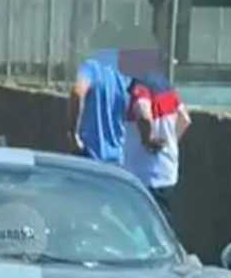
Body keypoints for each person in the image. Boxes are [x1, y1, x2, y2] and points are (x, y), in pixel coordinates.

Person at [122, 74, 190, 211]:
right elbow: (185, 119)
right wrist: (170, 142)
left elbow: (143, 114)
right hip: (168, 173)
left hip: (144, 176)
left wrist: (148, 140)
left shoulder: (141, 86)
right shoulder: (167, 88)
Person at [68, 51, 129, 164]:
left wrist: (73, 133)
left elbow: (77, 92)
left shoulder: (91, 67)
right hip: (116, 158)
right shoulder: (124, 76)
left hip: (89, 155)